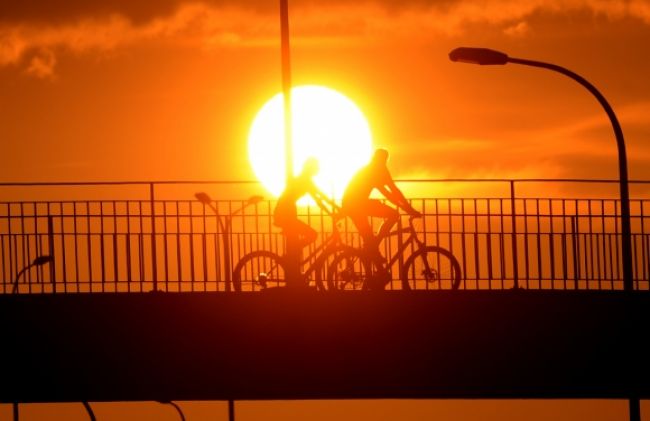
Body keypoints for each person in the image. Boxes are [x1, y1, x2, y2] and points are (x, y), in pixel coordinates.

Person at [342, 148, 421, 270]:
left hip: (358, 203)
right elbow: (389, 194)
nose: (381, 162)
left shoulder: (379, 169)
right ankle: (373, 247)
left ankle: (374, 256)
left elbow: (394, 190)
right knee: (392, 216)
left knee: (372, 238)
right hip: (354, 204)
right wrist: (408, 209)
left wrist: (408, 207)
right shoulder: (372, 171)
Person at [273, 157, 338, 247]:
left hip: (283, 212)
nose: (318, 169)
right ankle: (295, 250)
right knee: (312, 235)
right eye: (316, 167)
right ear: (311, 168)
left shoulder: (303, 179)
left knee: (302, 237)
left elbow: (319, 198)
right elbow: (321, 197)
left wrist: (331, 211)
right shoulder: (306, 181)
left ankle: (293, 253)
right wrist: (334, 210)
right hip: (286, 215)